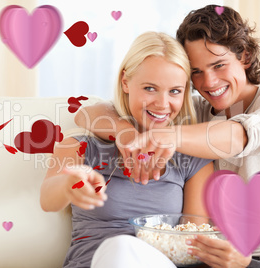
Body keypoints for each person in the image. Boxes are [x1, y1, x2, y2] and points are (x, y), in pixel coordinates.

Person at [74, 5, 260, 268]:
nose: (208, 82)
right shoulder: (196, 111)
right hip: (219, 258)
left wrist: (165, 136)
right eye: (196, 72)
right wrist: (125, 131)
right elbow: (88, 113)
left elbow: (237, 137)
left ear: (245, 56)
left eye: (219, 65)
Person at [40, 31, 214, 268]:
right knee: (119, 247)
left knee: (124, 248)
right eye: (150, 88)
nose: (163, 104)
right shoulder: (80, 146)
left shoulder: (194, 160)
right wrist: (70, 184)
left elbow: (192, 241)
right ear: (125, 82)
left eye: (174, 91)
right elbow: (48, 200)